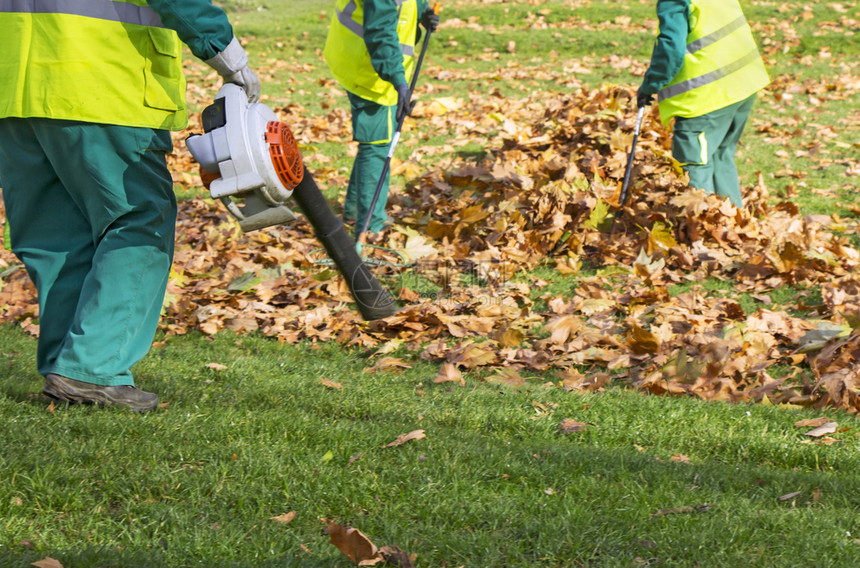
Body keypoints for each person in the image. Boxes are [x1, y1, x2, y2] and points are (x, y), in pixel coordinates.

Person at [0, 0, 260, 412]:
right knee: (140, 220)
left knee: (56, 232)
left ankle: (66, 364)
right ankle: (90, 370)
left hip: (13, 84)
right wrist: (229, 57)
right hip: (101, 80)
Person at [324, 0, 439, 240]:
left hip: (371, 63)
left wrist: (422, 11)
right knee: (377, 144)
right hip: (367, 69)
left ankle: (355, 212)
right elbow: (380, 32)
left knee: (376, 141)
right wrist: (399, 81)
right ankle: (371, 227)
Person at [636, 0, 769, 207]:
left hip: (706, 95)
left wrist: (650, 84)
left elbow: (671, 49)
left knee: (694, 166)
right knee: (721, 156)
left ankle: (703, 231)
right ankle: (734, 228)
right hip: (743, 82)